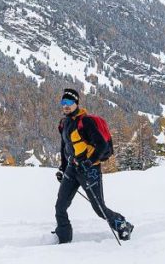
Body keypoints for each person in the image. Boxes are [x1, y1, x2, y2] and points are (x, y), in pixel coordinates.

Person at [54, 88, 134, 244]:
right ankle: (63, 239)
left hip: (90, 171)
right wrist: (62, 169)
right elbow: (65, 148)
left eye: (70, 102)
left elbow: (102, 146)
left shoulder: (86, 122)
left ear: (76, 103)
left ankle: (123, 225)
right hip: (72, 168)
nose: (66, 105)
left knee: (99, 209)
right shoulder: (64, 123)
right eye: (64, 102)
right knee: (60, 206)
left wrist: (89, 162)